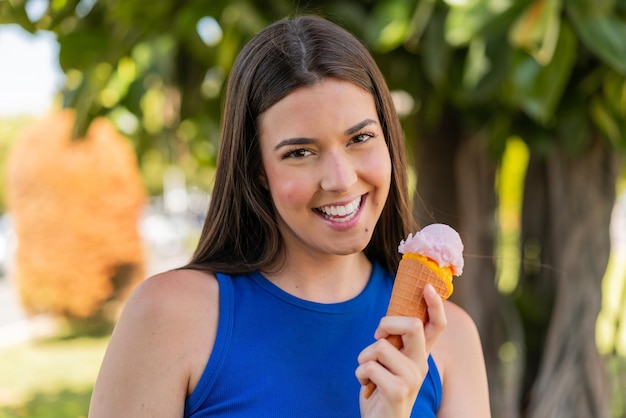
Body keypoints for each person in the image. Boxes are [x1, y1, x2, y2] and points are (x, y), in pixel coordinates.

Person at [89, 14, 490, 418]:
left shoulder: (450, 338)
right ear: (257, 170)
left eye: (360, 138)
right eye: (300, 152)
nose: (340, 179)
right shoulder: (168, 317)